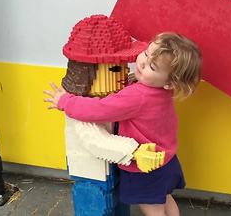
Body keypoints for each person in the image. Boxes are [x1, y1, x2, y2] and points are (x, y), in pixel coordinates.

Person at [44, 32, 202, 216]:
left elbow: (100, 109)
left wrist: (65, 101)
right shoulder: (160, 92)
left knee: (153, 210)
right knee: (165, 200)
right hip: (166, 161)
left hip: (146, 168)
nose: (142, 62)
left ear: (170, 82)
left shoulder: (138, 96)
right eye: (146, 53)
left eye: (152, 66)